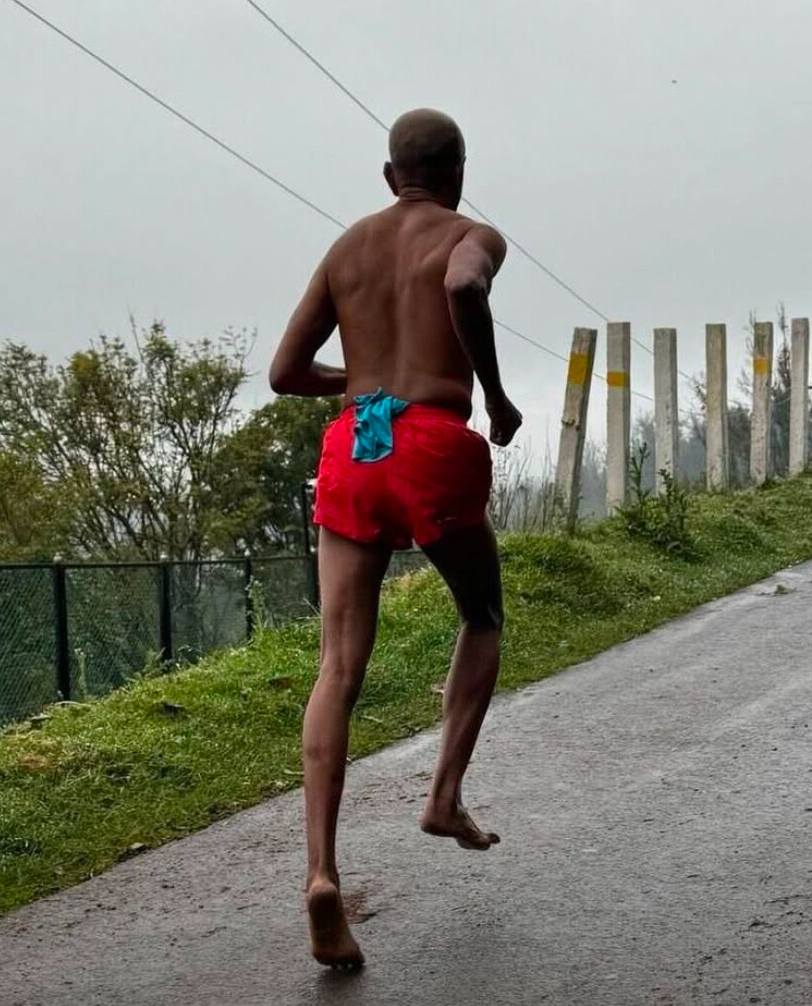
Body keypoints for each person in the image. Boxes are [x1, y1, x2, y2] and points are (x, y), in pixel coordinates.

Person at [268, 108, 521, 970]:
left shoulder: (348, 248)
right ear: (459, 172)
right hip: (433, 443)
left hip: (356, 440)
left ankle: (320, 875)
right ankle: (443, 796)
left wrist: (363, 378)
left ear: (389, 175)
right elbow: (464, 287)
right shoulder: (472, 235)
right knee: (481, 613)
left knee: (338, 666)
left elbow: (285, 373)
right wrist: (494, 396)